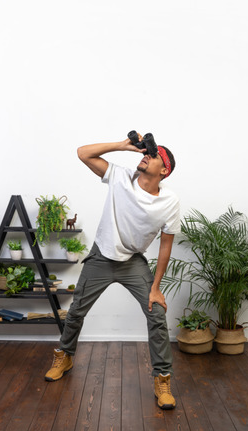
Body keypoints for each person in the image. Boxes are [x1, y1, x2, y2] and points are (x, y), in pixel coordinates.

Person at [45, 133, 180, 410]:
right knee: (76, 312)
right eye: (147, 153)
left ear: (164, 171)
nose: (147, 155)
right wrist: (123, 145)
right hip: (101, 257)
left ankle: (162, 378)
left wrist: (155, 288)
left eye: (154, 155)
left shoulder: (170, 202)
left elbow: (165, 247)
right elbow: (83, 153)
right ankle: (64, 355)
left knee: (156, 313)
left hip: (132, 261)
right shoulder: (121, 176)